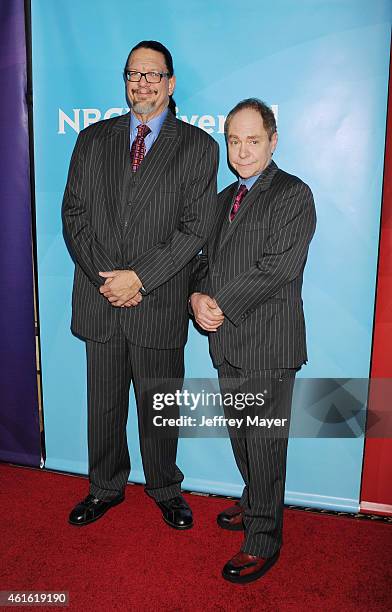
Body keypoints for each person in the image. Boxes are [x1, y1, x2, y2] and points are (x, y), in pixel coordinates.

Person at [62, 40, 218, 529]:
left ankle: (166, 487)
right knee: (103, 408)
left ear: (171, 84)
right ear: (125, 82)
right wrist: (108, 280)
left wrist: (140, 279)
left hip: (158, 302)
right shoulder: (92, 139)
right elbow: (73, 216)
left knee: (159, 407)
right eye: (134, 74)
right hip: (100, 298)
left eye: (154, 75)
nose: (143, 83)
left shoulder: (198, 147)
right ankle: (104, 487)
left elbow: (195, 229)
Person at [190, 98, 316, 583]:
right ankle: (254, 500)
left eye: (254, 140)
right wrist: (196, 297)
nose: (242, 151)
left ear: (273, 140)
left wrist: (218, 302)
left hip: (268, 343)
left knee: (264, 443)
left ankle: (264, 537)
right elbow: (202, 259)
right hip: (228, 343)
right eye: (235, 141)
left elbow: (279, 266)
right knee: (243, 436)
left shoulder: (293, 194)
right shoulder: (222, 200)